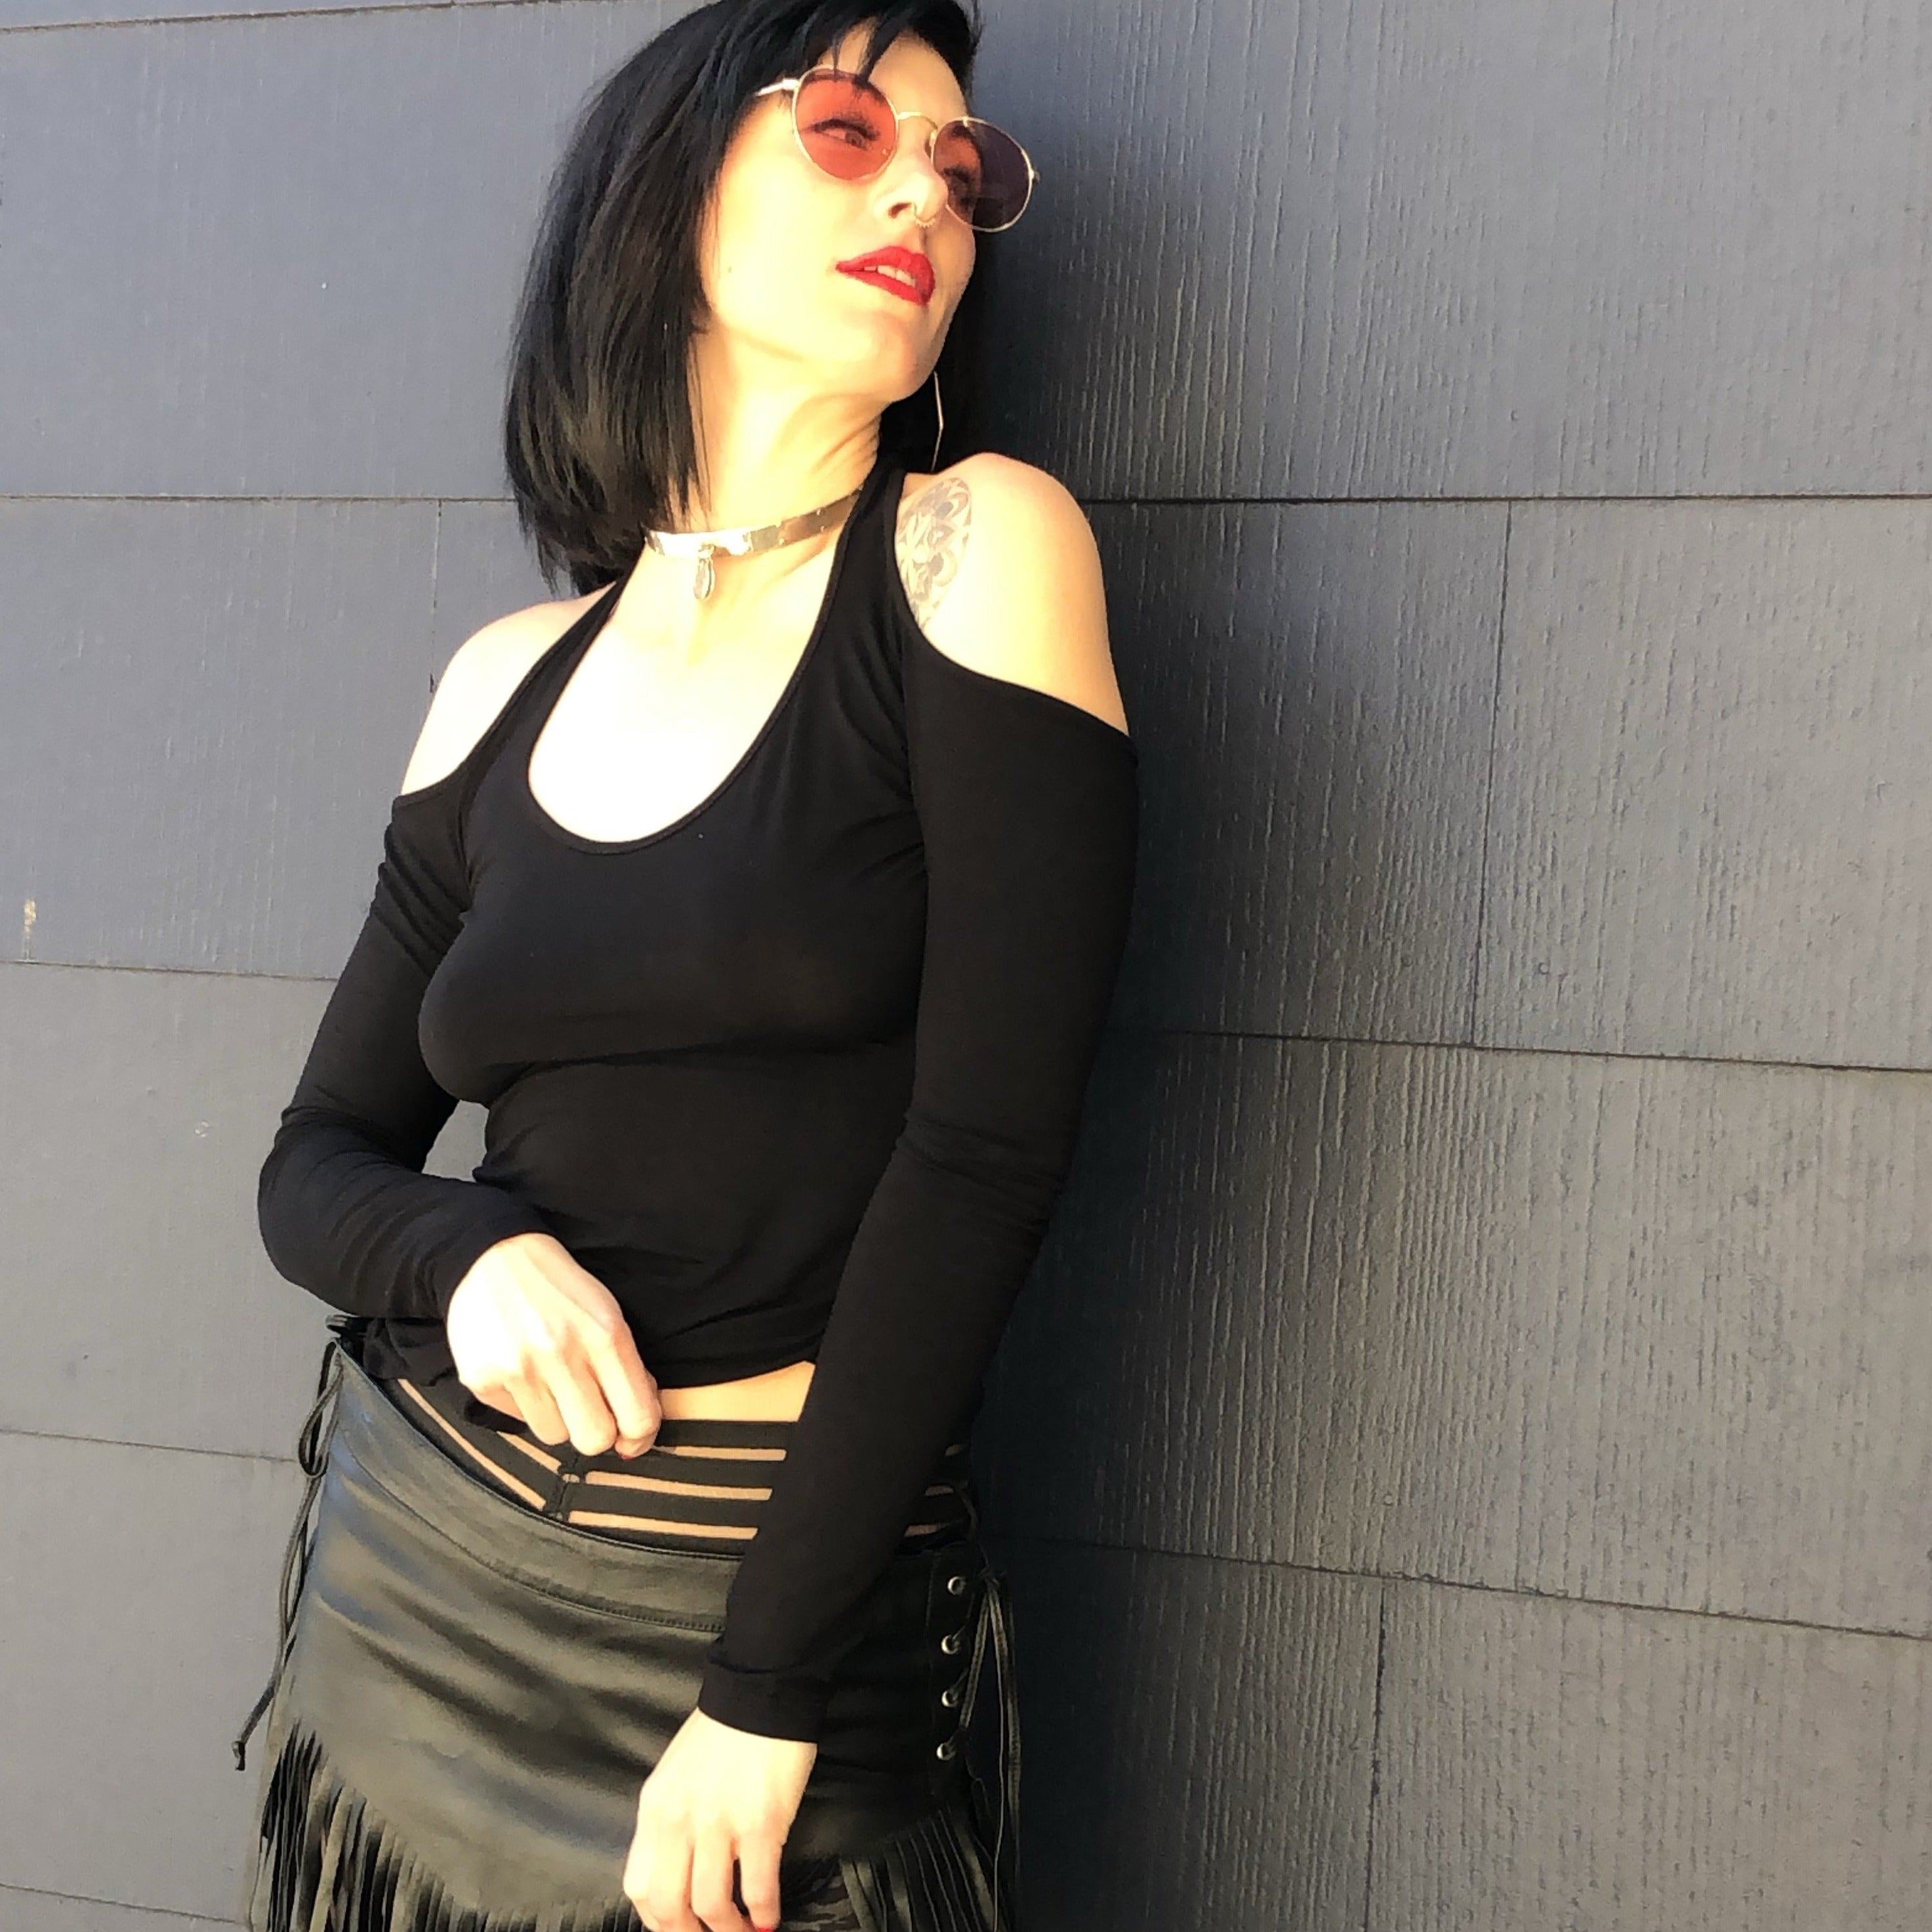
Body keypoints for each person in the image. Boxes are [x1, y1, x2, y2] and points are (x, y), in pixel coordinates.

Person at [232, 2, 1138, 1928]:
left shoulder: (974, 554)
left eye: (964, 170)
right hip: (415, 1581)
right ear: (665, 189)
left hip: (758, 1612)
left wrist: (764, 1687)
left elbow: (984, 1154)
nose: (925, 193)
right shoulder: (504, 680)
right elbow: (316, 1162)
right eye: (850, 129)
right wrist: (466, 1256)